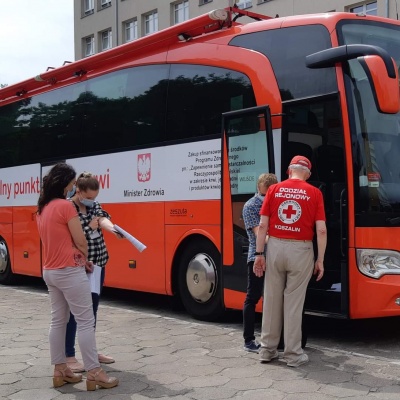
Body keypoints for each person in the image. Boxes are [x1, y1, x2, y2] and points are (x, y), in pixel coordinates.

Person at [36, 163, 119, 390]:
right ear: (64, 184)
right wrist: (84, 260)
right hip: (70, 270)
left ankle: (60, 369)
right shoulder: (65, 206)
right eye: (72, 184)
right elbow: (80, 240)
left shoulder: (42, 208)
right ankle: (94, 372)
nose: (73, 188)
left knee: (58, 320)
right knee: (85, 321)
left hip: (50, 270)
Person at [253, 155, 326, 367]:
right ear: (308, 174)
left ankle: (267, 350)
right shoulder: (315, 192)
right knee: (293, 303)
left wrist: (259, 254)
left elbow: (263, 225)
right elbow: (321, 229)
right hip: (302, 249)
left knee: (272, 299)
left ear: (289, 170)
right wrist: (320, 259)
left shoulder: (274, 190)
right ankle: (293, 355)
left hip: (275, 246)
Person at [65, 172, 122, 373]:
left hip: (97, 264)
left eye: (95, 198)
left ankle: (91, 352)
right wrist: (90, 227)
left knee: (92, 310)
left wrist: (114, 230)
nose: (92, 201)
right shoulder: (68, 207)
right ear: (78, 192)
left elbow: (103, 217)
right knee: (74, 312)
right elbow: (74, 234)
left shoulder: (94, 205)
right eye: (88, 198)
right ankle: (69, 355)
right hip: (78, 265)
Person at [242, 173, 278, 353]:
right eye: (264, 194)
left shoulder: (277, 203)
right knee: (253, 297)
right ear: (259, 190)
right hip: (256, 257)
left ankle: (273, 339)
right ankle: (249, 340)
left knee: (273, 300)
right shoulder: (251, 206)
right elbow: (259, 235)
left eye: (270, 194)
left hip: (276, 257)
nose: (267, 198)